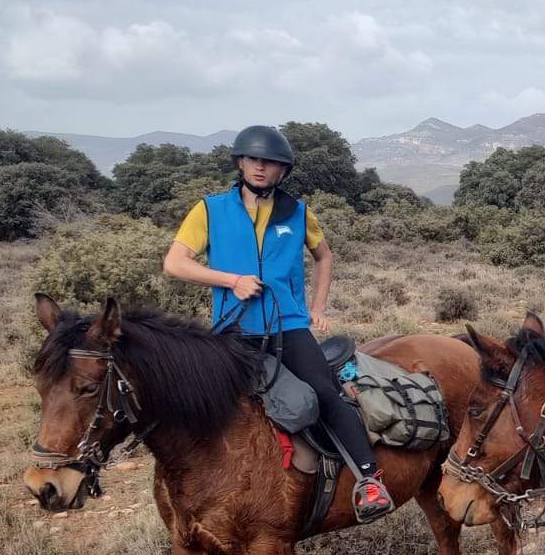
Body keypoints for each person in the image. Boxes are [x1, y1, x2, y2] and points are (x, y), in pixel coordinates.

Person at [162, 125, 391, 521]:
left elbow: (325, 257)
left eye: (270, 163)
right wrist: (231, 280)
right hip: (233, 329)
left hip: (288, 325)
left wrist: (317, 307)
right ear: (240, 163)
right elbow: (175, 263)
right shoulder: (210, 209)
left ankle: (369, 480)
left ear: (282, 171)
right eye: (253, 160)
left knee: (325, 391)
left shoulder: (298, 212)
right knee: (203, 404)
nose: (260, 168)